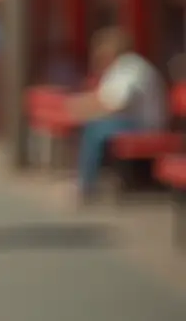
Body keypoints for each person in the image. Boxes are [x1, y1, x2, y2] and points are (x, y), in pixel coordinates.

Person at [66, 26, 167, 201]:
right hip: (130, 122)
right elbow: (103, 98)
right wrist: (81, 107)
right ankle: (89, 179)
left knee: (95, 130)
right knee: (92, 127)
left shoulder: (131, 66)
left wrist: (88, 112)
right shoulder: (117, 68)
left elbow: (118, 104)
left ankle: (85, 186)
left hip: (146, 127)